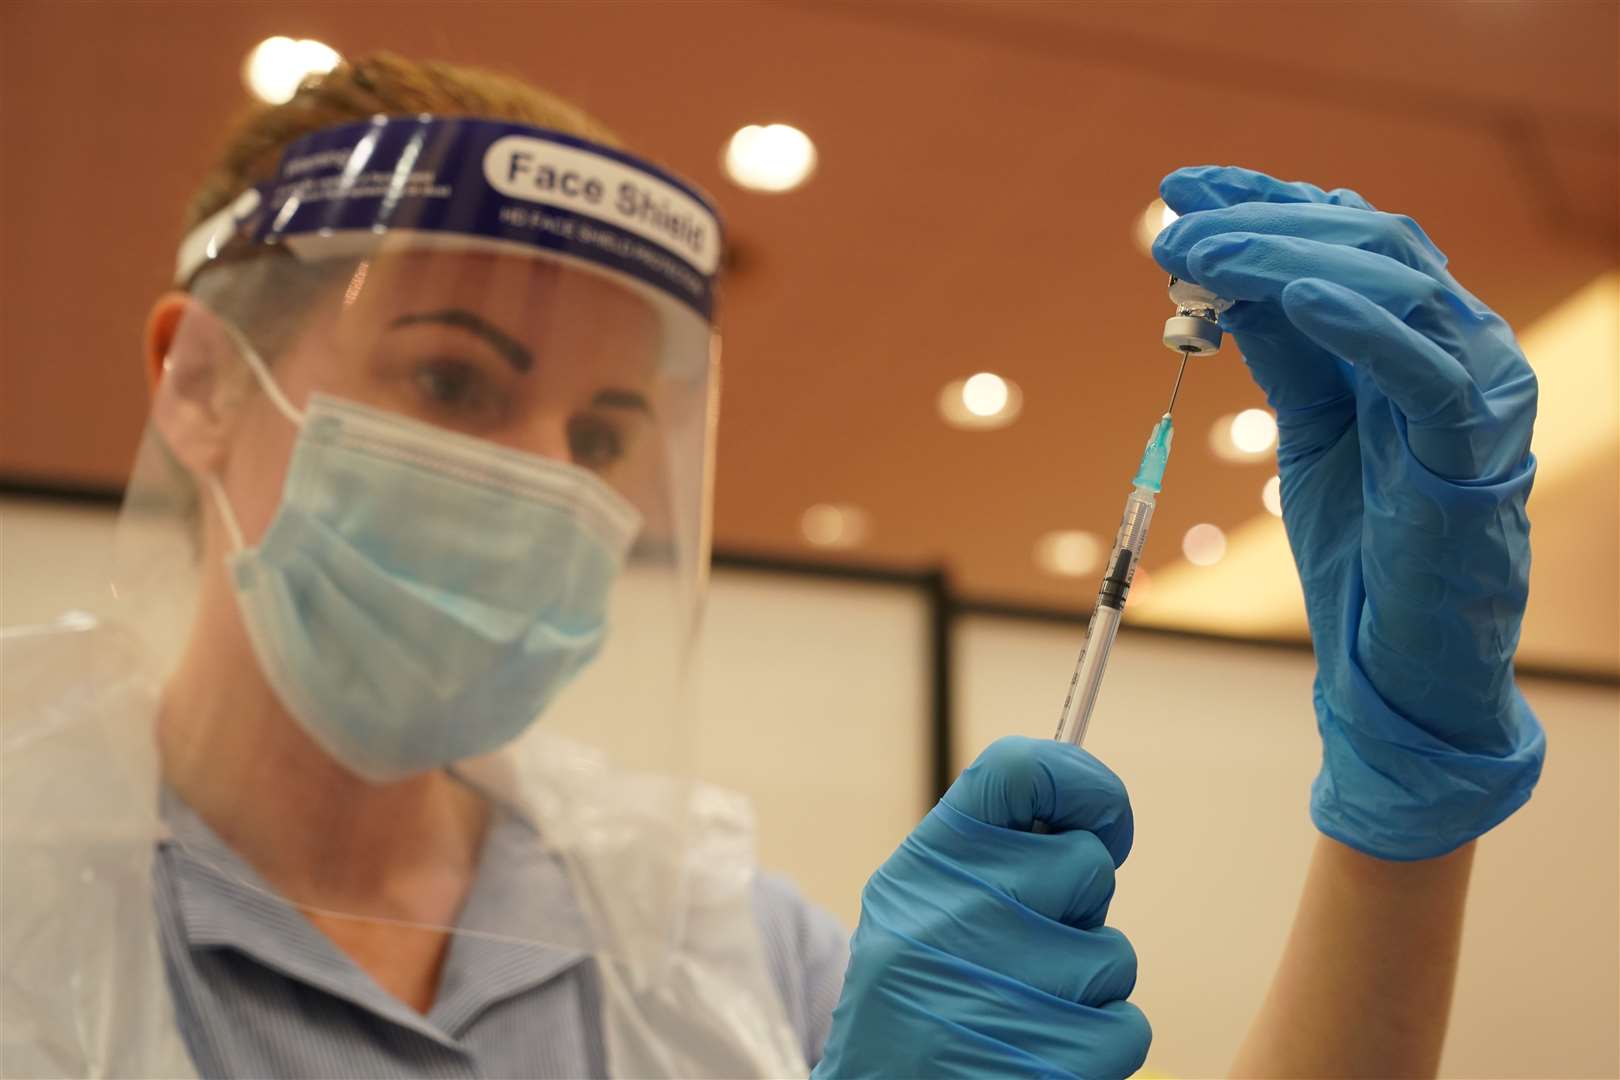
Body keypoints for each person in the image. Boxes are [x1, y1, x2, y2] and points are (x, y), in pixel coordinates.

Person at [0, 53, 1544, 1080]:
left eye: (607, 429)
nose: (548, 481)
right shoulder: (31, 914)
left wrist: (1401, 816)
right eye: (455, 386)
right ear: (198, 381)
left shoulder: (708, 948)